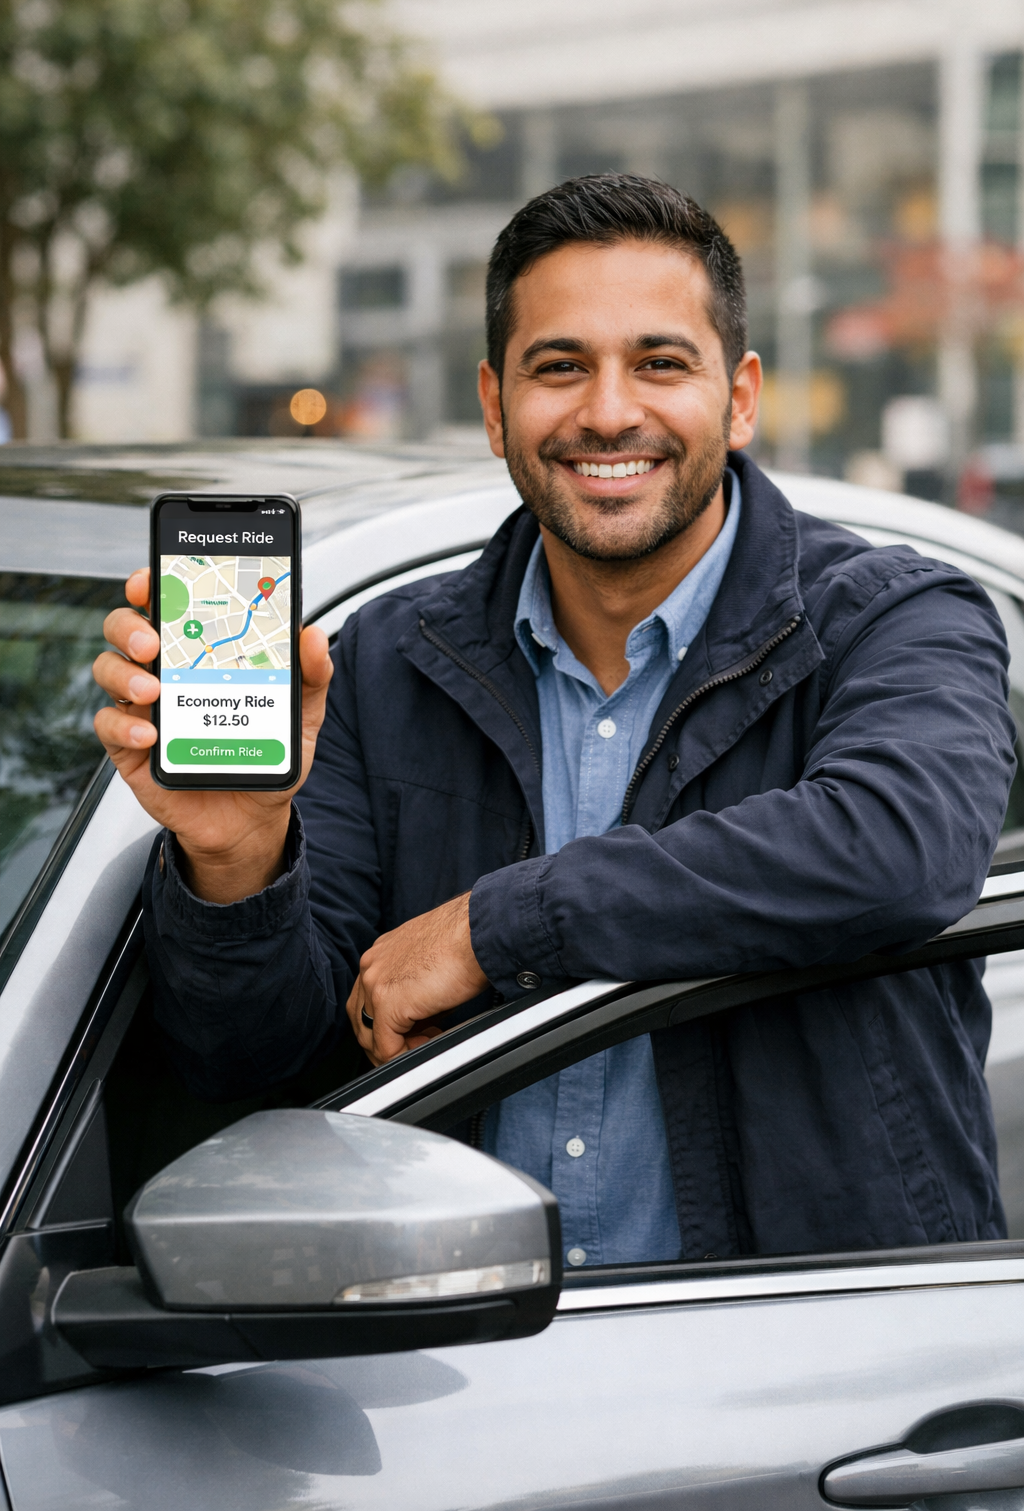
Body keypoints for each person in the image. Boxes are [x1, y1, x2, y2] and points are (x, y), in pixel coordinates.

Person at [94, 174, 1016, 1264]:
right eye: (560, 366)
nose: (609, 411)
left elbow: (895, 849)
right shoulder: (381, 662)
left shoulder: (898, 617)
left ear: (740, 397)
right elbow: (254, 1059)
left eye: (659, 362)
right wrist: (237, 860)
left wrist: (494, 929)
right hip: (453, 1344)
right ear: (495, 407)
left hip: (801, 1346)